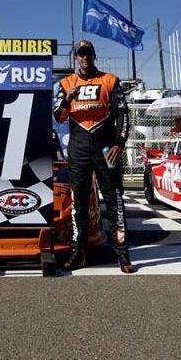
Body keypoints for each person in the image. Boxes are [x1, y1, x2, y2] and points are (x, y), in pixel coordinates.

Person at [53, 39, 135, 273]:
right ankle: (78, 252)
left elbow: (123, 114)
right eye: (81, 54)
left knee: (114, 200)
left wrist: (119, 143)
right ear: (76, 58)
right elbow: (58, 116)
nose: (84, 58)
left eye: (88, 53)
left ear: (94, 56)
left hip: (106, 148)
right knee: (78, 203)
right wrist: (68, 99)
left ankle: (123, 253)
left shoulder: (110, 80)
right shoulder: (66, 83)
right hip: (78, 148)